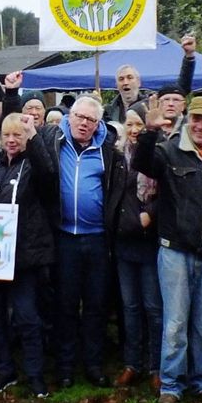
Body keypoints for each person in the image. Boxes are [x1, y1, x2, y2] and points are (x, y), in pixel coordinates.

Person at [134, 95, 202, 403]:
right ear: (188, 119)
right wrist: (149, 132)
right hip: (175, 251)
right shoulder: (169, 150)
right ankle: (171, 385)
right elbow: (142, 164)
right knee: (175, 322)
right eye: (197, 119)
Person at [0, 113, 55, 398]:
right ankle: (4, 370)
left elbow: (48, 178)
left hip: (23, 256)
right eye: (7, 135)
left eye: (17, 135)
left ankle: (35, 375)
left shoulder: (32, 164)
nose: (11, 140)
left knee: (27, 317)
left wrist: (33, 136)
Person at [42, 95, 121, 388]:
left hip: (98, 239)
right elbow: (26, 140)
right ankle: (64, 367)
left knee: (96, 305)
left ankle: (94, 364)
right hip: (64, 238)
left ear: (98, 123)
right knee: (65, 305)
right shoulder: (54, 141)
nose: (83, 123)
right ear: (69, 116)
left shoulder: (108, 151)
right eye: (79, 117)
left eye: (90, 119)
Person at [108, 102, 162, 392]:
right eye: (128, 124)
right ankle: (132, 363)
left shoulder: (160, 152)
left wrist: (150, 213)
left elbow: (171, 193)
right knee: (129, 306)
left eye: (138, 124)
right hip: (124, 240)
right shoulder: (117, 157)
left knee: (153, 307)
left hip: (150, 241)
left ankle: (156, 365)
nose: (132, 130)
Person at [104, 34, 197, 124]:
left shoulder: (152, 104)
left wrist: (189, 57)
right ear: (116, 85)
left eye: (130, 78)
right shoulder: (108, 112)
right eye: (121, 79)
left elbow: (181, 89)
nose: (125, 82)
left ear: (139, 82)